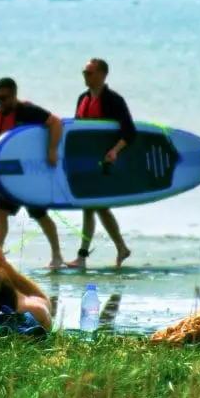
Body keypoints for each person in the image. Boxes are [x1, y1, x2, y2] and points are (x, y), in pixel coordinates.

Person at [65, 58, 135, 270]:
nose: (85, 76)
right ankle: (119, 248)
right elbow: (77, 131)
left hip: (105, 163)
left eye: (90, 73)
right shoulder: (83, 98)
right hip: (86, 163)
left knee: (94, 206)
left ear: (103, 75)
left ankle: (84, 256)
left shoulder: (114, 100)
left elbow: (130, 132)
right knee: (95, 207)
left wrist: (115, 151)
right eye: (84, 72)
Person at [0, 77, 66, 269]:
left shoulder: (28, 111)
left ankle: (57, 255)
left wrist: (52, 149)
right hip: (7, 174)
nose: (0, 102)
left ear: (14, 95)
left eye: (4, 98)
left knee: (39, 215)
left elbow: (56, 123)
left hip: (29, 174)